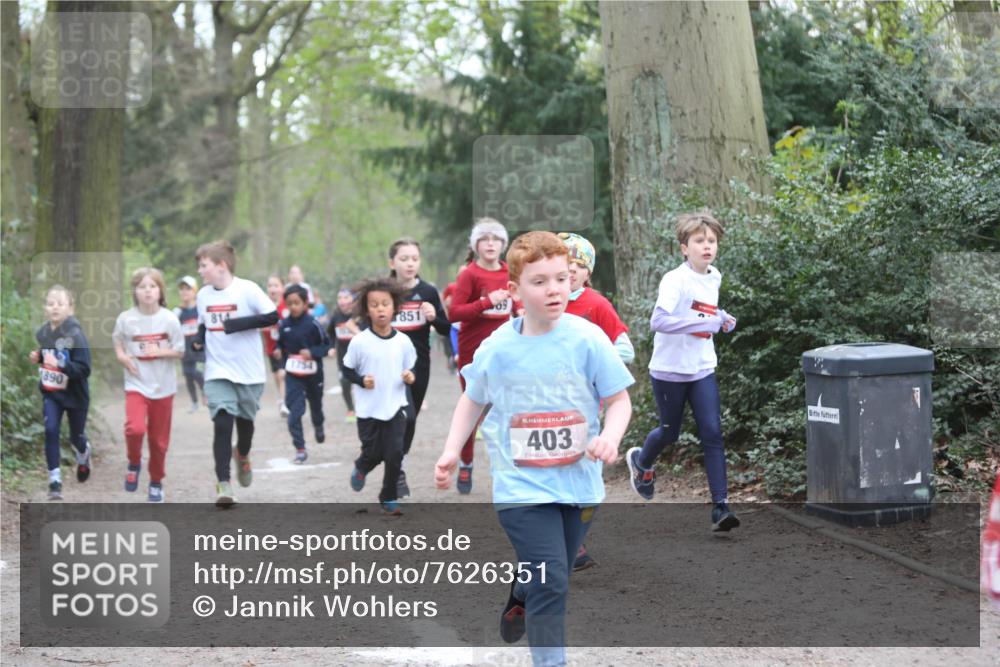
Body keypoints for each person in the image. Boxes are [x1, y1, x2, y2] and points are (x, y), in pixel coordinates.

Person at [434, 231, 633, 667]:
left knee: (550, 572)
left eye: (561, 278)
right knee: (554, 579)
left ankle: (523, 589)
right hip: (520, 486)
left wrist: (610, 437)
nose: (554, 289)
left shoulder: (588, 338)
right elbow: (472, 399)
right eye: (540, 281)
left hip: (579, 483)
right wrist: (452, 449)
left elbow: (619, 400)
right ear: (514, 290)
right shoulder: (498, 347)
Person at [626, 211, 740, 532]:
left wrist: (722, 317)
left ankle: (721, 508)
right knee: (669, 432)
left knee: (712, 433)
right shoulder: (674, 280)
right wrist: (705, 323)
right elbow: (659, 321)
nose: (707, 246)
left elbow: (702, 309)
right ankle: (641, 462)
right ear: (684, 248)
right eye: (699, 241)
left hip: (702, 368)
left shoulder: (714, 276)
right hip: (669, 371)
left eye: (712, 241)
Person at [557, 232, 636, 571]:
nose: (571, 270)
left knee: (582, 470)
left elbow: (626, 350)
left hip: (585, 405)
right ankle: (565, 542)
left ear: (588, 272)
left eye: (578, 265)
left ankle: (574, 537)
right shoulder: (544, 301)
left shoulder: (596, 304)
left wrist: (594, 360)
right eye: (565, 264)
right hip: (546, 403)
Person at [193, 240, 279, 507]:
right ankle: (224, 483)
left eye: (203, 265)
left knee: (245, 426)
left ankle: (242, 454)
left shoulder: (247, 289)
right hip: (218, 370)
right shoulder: (203, 296)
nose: (199, 271)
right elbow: (203, 325)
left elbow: (272, 316)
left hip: (249, 372)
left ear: (221, 265)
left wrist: (238, 324)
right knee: (222, 422)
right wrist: (197, 340)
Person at [445, 218, 518, 494]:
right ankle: (466, 463)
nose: (490, 244)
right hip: (473, 350)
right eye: (484, 239)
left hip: (506, 351)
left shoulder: (511, 272)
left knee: (509, 409)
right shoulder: (470, 274)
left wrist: (520, 309)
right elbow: (454, 313)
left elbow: (517, 303)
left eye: (495, 239)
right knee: (472, 408)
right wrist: (486, 302)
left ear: (503, 244)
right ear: (476, 245)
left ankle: (512, 466)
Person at [343, 277, 417, 515]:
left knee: (395, 453)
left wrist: (410, 376)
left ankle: (388, 496)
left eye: (385, 304)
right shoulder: (360, 342)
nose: (380, 309)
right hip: (368, 409)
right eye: (374, 305)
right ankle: (362, 466)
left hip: (395, 405)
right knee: (373, 452)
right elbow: (347, 369)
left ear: (394, 307)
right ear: (366, 310)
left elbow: (411, 368)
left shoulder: (403, 342)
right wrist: (361, 381)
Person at [113, 268, 185, 502]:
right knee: (135, 429)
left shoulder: (169, 319)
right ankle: (134, 463)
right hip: (136, 383)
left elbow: (179, 351)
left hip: (164, 387)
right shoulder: (126, 318)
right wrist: (122, 357)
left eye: (152, 286)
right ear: (135, 291)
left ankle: (156, 482)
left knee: (158, 441)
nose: (147, 291)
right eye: (142, 287)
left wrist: (159, 351)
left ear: (160, 291)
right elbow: (117, 341)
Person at [387, 238, 451, 498]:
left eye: (414, 258)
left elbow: (445, 329)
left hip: (418, 365)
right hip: (388, 365)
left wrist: (434, 317)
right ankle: (396, 472)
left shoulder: (428, 292)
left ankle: (398, 462)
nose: (410, 264)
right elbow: (368, 325)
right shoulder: (383, 291)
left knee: (411, 419)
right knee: (402, 417)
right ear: (392, 263)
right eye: (404, 259)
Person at [29, 285, 93, 501]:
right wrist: (39, 357)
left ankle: (83, 453)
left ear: (70, 308)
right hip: (52, 393)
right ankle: (54, 481)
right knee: (50, 429)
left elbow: (84, 369)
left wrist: (61, 364)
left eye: (60, 304)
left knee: (76, 438)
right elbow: (49, 354)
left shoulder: (76, 335)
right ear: (45, 308)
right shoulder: (43, 333)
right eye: (50, 303)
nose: (55, 307)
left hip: (76, 395)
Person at [273, 284, 330, 464]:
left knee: (316, 407)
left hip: (313, 373)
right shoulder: (284, 325)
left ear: (305, 303)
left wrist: (312, 352)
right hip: (293, 375)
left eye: (297, 303)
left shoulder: (313, 324)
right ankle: (300, 449)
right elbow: (280, 345)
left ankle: (318, 425)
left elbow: (326, 345)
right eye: (289, 303)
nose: (293, 307)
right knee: (294, 414)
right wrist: (278, 352)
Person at [326, 287, 364, 420]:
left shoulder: (360, 316)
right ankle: (350, 410)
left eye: (346, 297)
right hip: (343, 357)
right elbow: (330, 333)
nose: (342, 301)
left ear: (354, 300)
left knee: (363, 383)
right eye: (339, 298)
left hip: (360, 358)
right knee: (344, 383)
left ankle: (364, 408)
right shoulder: (336, 316)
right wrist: (331, 347)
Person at [173, 275, 206, 413]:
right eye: (182, 289)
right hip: (185, 350)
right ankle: (194, 403)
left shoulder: (201, 309)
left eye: (188, 289)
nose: (184, 292)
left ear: (195, 291)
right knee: (188, 375)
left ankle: (206, 393)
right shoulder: (177, 312)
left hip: (199, 350)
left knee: (197, 372)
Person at [263, 274, 290, 417]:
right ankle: (281, 397)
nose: (272, 289)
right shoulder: (264, 305)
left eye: (276, 285)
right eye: (270, 286)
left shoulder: (287, 305)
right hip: (271, 348)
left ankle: (285, 403)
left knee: (282, 374)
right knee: (276, 375)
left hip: (286, 347)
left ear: (283, 288)